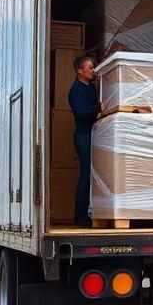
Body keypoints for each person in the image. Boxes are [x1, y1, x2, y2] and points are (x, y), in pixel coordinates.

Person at [68, 55, 99, 227]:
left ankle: (90, 213)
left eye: (93, 67)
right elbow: (81, 112)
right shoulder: (76, 90)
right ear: (80, 71)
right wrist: (98, 108)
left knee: (92, 175)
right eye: (90, 67)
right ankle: (80, 218)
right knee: (85, 176)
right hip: (83, 136)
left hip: (93, 134)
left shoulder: (92, 87)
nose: (93, 70)